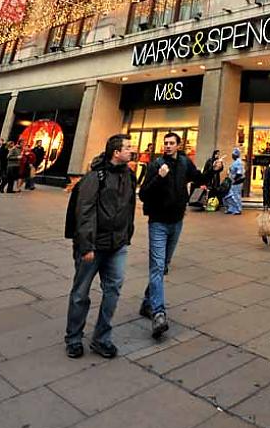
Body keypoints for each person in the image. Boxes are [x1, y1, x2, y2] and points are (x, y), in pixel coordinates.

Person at [64, 134, 136, 359]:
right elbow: (84, 211)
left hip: (117, 245)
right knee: (80, 293)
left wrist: (126, 235)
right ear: (116, 152)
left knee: (113, 291)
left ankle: (101, 338)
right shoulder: (96, 176)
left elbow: (130, 207)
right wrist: (86, 246)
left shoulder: (129, 175)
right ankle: (74, 338)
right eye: (128, 147)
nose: (132, 150)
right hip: (93, 247)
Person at [138, 131, 202, 338]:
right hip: (158, 222)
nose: (167, 146)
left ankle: (148, 302)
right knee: (157, 266)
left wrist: (214, 169)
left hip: (177, 222)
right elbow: (143, 194)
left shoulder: (184, 163)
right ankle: (159, 314)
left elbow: (199, 178)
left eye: (171, 143)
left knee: (163, 264)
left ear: (178, 145)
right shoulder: (156, 165)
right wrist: (159, 177)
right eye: (165, 143)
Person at [223, 147, 245, 214]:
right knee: (230, 195)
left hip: (236, 182)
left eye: (233, 154)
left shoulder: (238, 162)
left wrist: (234, 180)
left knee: (235, 195)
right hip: (233, 181)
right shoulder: (236, 162)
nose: (232, 155)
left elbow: (239, 173)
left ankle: (238, 209)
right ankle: (231, 208)